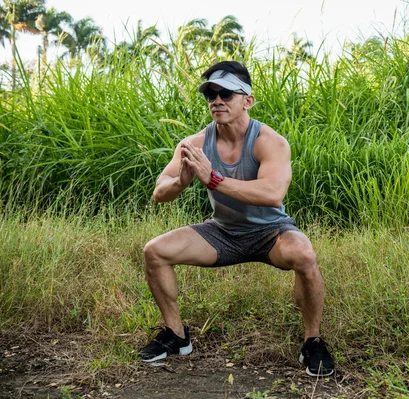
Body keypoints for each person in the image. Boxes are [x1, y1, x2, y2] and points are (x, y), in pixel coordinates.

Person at [139, 60, 335, 377]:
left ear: (248, 100)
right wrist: (182, 182)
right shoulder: (194, 144)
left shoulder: (269, 142)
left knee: (304, 254)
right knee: (155, 251)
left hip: (271, 233)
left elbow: (272, 193)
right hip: (223, 233)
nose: (217, 100)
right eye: (210, 94)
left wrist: (213, 179)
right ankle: (176, 336)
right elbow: (159, 191)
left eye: (226, 93)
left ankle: (312, 341)